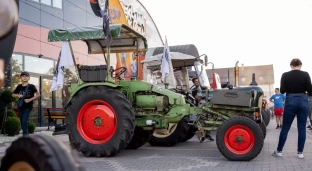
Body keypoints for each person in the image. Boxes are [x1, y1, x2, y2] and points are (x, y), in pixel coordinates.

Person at [272, 58, 312, 159]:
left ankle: (279, 151)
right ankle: (300, 153)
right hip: (303, 100)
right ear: (300, 65)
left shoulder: (285, 75)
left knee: (285, 127)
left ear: (291, 66)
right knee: (302, 128)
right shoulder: (305, 74)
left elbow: (282, 90)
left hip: (290, 100)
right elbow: (310, 90)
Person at [12, 72, 40, 136]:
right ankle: (26, 135)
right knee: (22, 122)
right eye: (23, 76)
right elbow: (13, 94)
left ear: (29, 78)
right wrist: (18, 95)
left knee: (24, 121)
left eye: (26, 76)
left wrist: (29, 99)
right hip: (20, 106)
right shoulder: (19, 86)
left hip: (28, 106)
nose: (24, 77)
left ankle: (25, 137)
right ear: (21, 78)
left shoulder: (31, 86)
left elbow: (38, 94)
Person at [191, 77, 214, 142]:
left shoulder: (203, 88)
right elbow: (198, 99)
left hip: (207, 107)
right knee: (201, 123)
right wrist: (201, 95)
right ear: (193, 83)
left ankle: (208, 135)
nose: (197, 82)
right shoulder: (194, 90)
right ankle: (203, 136)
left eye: (198, 81)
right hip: (200, 108)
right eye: (195, 81)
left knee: (208, 122)